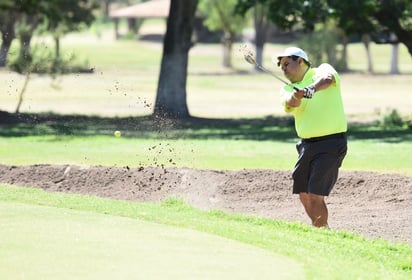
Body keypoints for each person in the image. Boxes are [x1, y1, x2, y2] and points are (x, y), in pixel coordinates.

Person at [276, 47, 347, 228]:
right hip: (306, 145)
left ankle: (321, 232)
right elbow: (291, 103)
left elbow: (328, 80)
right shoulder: (286, 88)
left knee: (315, 194)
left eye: (286, 64)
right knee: (303, 192)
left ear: (300, 60)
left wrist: (309, 90)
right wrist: (296, 95)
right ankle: (322, 228)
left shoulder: (322, 70)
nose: (283, 69)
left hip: (331, 142)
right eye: (281, 66)